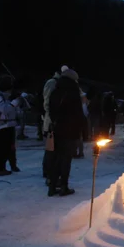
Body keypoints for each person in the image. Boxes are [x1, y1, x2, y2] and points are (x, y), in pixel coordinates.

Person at [48, 68, 86, 197]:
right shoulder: (73, 93)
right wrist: (82, 130)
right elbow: (78, 114)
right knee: (66, 159)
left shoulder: (55, 91)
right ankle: (64, 186)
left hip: (57, 129)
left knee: (56, 158)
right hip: (70, 131)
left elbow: (50, 109)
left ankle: (52, 186)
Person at [0, 76, 19, 175]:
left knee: (7, 148)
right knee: (0, 149)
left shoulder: (3, 96)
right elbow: (4, 109)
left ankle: (3, 167)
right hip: (1, 126)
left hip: (8, 125)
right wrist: (14, 102)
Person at [42, 66, 65, 181]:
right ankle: (48, 172)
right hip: (51, 122)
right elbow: (47, 103)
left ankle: (52, 172)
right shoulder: (52, 83)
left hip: (56, 121)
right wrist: (52, 119)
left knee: (55, 149)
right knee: (51, 149)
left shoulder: (59, 83)